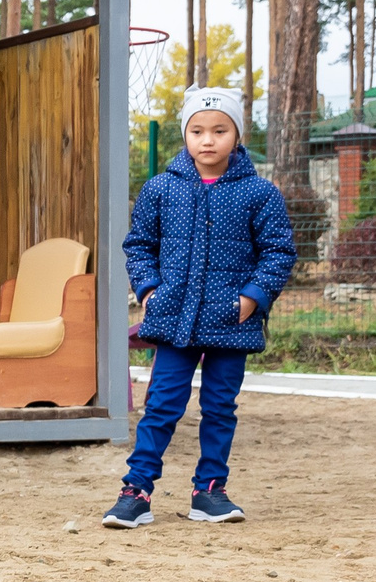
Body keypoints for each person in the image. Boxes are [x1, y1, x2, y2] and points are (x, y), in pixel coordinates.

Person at [104, 87, 295, 528]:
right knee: (161, 406)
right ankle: (136, 491)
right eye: (197, 131)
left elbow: (278, 252)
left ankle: (209, 491)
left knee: (220, 408)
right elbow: (139, 245)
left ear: (237, 135)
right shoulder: (160, 189)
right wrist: (149, 291)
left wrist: (252, 297)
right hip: (174, 320)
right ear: (185, 135)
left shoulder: (259, 194)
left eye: (220, 130)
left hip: (232, 321)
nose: (208, 140)